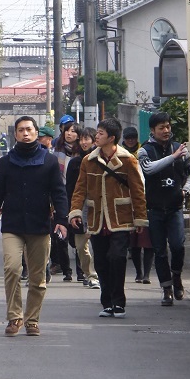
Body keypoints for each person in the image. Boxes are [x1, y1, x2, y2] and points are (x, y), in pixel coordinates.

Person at [0, 116, 68, 337]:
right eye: (21, 130)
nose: (25, 133)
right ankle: (14, 317)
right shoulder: (6, 162)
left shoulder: (48, 162)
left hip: (39, 226)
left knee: (38, 278)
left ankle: (32, 320)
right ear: (15, 134)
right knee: (12, 269)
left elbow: (59, 193)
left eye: (29, 129)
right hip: (13, 225)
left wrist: (62, 220)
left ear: (37, 133)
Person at [69, 118, 147, 319]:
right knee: (102, 262)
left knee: (117, 257)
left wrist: (140, 219)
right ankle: (107, 302)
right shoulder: (88, 161)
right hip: (97, 219)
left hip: (120, 218)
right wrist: (76, 211)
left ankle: (119, 302)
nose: (96, 136)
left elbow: (138, 191)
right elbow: (80, 189)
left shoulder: (129, 160)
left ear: (112, 138)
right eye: (97, 132)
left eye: (101, 133)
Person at [137, 112, 190, 306]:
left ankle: (177, 275)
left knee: (178, 245)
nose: (166, 130)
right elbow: (149, 169)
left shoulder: (179, 149)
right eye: (161, 127)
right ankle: (167, 288)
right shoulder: (144, 150)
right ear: (152, 130)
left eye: (168, 126)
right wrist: (172, 157)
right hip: (154, 208)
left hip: (175, 207)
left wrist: (185, 191)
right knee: (160, 250)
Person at [65, 126, 100, 289]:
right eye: (82, 139)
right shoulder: (75, 163)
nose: (84, 142)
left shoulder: (101, 161)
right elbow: (70, 188)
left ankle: (98, 274)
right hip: (79, 208)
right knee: (80, 246)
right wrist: (71, 210)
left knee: (101, 245)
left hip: (99, 208)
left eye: (87, 139)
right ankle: (89, 274)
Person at [120, 126, 155, 284]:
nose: (131, 140)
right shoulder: (120, 154)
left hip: (146, 199)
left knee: (147, 240)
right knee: (134, 242)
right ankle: (139, 272)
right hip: (127, 202)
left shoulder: (144, 152)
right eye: (128, 138)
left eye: (133, 137)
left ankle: (146, 273)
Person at [51, 120, 81, 281]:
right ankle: (67, 270)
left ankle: (81, 272)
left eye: (73, 131)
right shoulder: (56, 151)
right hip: (60, 197)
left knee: (78, 237)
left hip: (78, 198)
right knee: (60, 236)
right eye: (67, 130)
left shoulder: (83, 154)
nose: (69, 133)